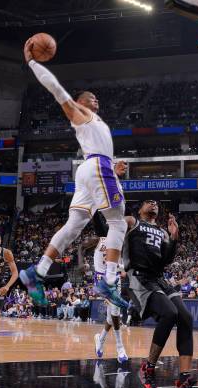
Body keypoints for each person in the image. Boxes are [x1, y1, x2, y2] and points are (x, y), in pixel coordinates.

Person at [19, 37, 128, 309]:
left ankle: (38, 272)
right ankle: (110, 279)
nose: (96, 99)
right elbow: (56, 89)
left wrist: (112, 169)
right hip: (96, 167)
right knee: (118, 223)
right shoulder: (79, 111)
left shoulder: (96, 122)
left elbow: (96, 148)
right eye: (92, 97)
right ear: (81, 101)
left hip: (92, 169)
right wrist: (32, 62)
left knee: (73, 226)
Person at [127, 200, 198, 388]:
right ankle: (148, 369)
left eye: (156, 203)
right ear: (140, 209)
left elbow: (166, 260)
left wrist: (173, 238)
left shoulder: (162, 231)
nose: (153, 203)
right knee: (169, 313)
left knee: (186, 317)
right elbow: (107, 229)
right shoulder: (132, 221)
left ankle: (182, 383)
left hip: (158, 278)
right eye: (148, 202)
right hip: (139, 277)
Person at [78, 211, 129, 364]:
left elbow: (126, 264)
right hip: (101, 279)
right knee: (115, 312)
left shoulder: (123, 241)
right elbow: (81, 247)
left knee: (111, 315)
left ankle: (100, 339)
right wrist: (81, 264)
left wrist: (122, 268)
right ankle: (120, 347)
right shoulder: (99, 239)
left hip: (115, 278)